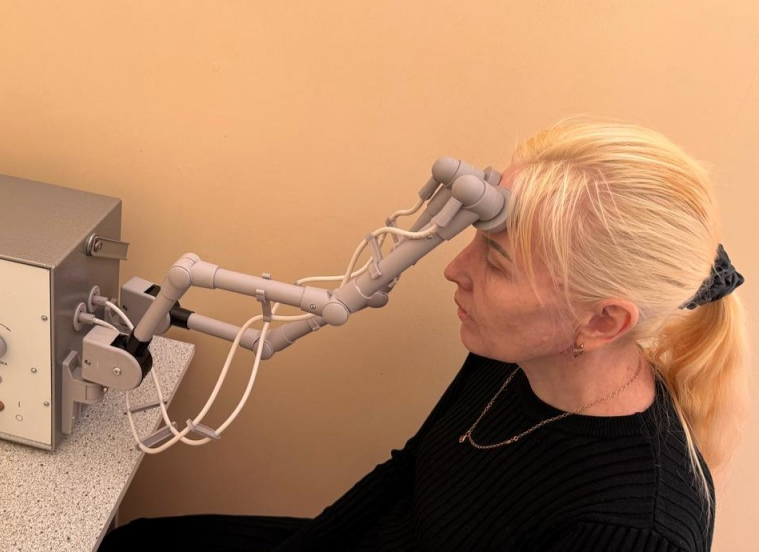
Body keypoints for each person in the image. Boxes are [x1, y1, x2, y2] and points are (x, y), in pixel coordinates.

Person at [99, 119, 749, 551]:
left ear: (603, 321)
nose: (455, 270)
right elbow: (409, 472)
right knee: (135, 543)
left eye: (497, 261)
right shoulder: (516, 354)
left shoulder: (633, 529)